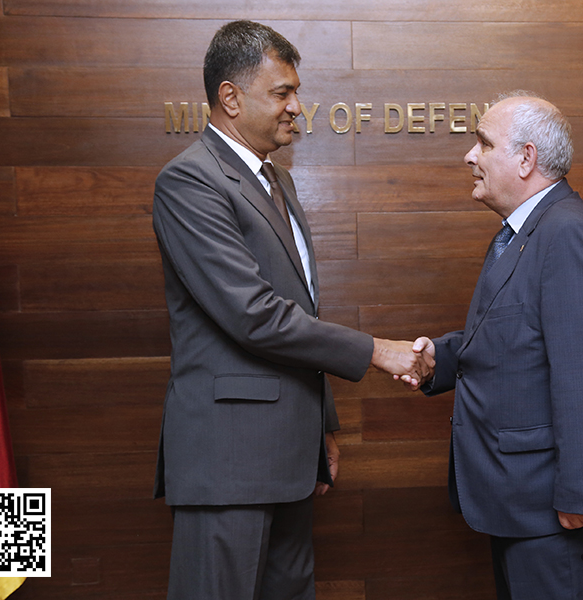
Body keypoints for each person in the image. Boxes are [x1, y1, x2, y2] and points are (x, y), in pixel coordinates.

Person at [151, 20, 431, 600]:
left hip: (289, 456)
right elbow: (253, 314)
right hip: (227, 463)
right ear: (230, 97)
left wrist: (322, 424)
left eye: (295, 93)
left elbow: (297, 308)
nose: (296, 107)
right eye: (282, 93)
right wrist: (377, 351)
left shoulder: (278, 182)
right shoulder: (190, 181)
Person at [407, 92, 583, 599]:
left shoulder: (568, 233)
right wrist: (438, 361)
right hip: (523, 502)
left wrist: (581, 494)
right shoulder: (524, 231)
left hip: (557, 507)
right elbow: (514, 338)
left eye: (483, 143)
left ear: (526, 158)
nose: (469, 156)